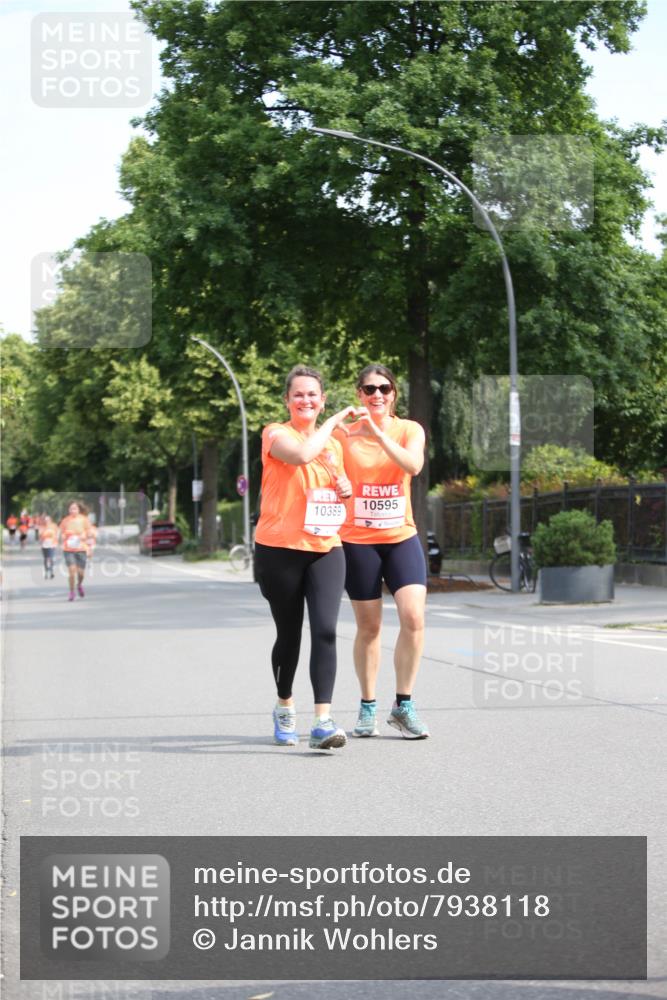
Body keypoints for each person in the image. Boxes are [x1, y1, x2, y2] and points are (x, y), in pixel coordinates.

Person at [254, 365, 359, 750]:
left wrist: (344, 487)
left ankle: (323, 720)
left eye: (313, 395)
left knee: (327, 630)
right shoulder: (274, 433)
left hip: (326, 547)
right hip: (278, 548)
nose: (306, 400)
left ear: (322, 398)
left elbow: (333, 489)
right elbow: (300, 456)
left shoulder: (333, 446)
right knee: (289, 633)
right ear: (288, 400)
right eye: (298, 394)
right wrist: (332, 422)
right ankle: (285, 706)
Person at [334, 363, 429, 740]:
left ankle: (403, 705)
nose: (377, 395)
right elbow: (328, 473)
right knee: (369, 627)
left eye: (384, 389)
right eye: (369, 389)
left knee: (413, 619)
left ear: (394, 394)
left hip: (401, 537)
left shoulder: (409, 430)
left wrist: (377, 430)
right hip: (358, 540)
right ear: (359, 394)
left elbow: (413, 465)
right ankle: (367, 705)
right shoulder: (343, 436)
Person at [58, 501, 94, 601]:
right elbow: (61, 533)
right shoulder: (65, 520)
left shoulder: (84, 520)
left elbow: (90, 534)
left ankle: (79, 585)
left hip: (81, 548)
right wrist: (62, 537)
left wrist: (89, 546)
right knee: (72, 571)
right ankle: (71, 592)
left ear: (79, 510)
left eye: (75, 508)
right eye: (71, 509)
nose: (72, 510)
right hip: (68, 549)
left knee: (81, 573)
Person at [39, 515, 58, 579]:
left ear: (50, 520)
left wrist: (55, 542)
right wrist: (41, 543)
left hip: (52, 544)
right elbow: (40, 536)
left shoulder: (54, 526)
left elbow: (56, 534)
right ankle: (46, 570)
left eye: (48, 520)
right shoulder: (42, 527)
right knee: (46, 559)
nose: (46, 521)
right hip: (44, 545)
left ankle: (51, 571)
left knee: (51, 558)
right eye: (45, 520)